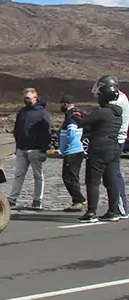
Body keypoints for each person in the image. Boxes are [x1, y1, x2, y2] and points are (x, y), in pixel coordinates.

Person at [73, 81, 124, 223]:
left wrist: (74, 113)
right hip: (113, 147)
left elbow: (83, 123)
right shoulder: (117, 113)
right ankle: (113, 211)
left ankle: (91, 212)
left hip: (99, 148)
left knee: (93, 181)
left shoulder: (102, 112)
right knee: (111, 180)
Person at [91, 75, 128, 217]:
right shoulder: (117, 98)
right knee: (111, 175)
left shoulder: (117, 102)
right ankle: (117, 207)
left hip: (114, 139)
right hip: (114, 138)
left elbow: (107, 119)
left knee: (113, 175)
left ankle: (120, 207)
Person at [8, 87, 51, 210]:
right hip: (22, 148)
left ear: (35, 97)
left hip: (35, 149)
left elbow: (47, 131)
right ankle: (13, 198)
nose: (26, 100)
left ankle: (38, 200)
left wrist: (43, 149)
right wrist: (17, 146)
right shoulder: (22, 112)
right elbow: (17, 129)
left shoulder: (42, 112)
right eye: (24, 98)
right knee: (18, 174)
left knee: (38, 175)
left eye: (28, 98)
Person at [58, 95, 86, 212]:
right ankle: (77, 200)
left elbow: (72, 131)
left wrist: (67, 146)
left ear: (65, 104)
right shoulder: (77, 113)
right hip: (75, 151)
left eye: (61, 104)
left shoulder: (71, 115)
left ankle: (79, 200)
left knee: (69, 177)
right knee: (72, 176)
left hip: (72, 151)